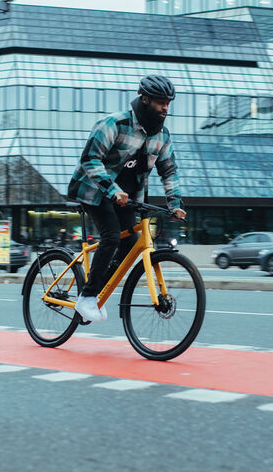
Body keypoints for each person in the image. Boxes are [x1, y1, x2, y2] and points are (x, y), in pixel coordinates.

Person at [68, 75, 186, 322]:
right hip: (95, 190)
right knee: (111, 237)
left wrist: (174, 204)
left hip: (128, 197)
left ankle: (98, 289)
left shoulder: (162, 135)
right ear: (145, 99)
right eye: (160, 102)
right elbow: (90, 159)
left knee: (131, 242)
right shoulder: (114, 123)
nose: (166, 108)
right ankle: (87, 297)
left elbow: (169, 170)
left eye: (168, 103)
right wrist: (112, 190)